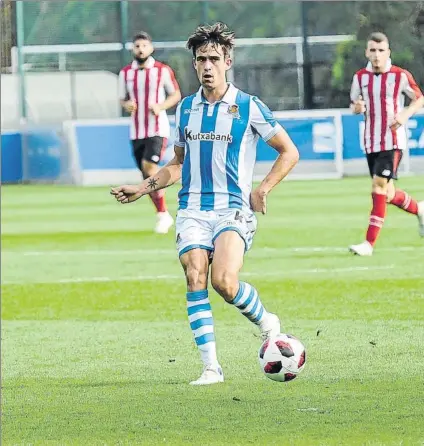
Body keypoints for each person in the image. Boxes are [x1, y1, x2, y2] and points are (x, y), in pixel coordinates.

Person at [111, 22, 299, 385]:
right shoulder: (184, 110)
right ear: (194, 65)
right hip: (193, 210)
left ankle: (267, 322)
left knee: (224, 283)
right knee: (194, 274)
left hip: (233, 210)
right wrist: (143, 187)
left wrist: (263, 189)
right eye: (201, 59)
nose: (207, 65)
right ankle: (211, 366)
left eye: (214, 58)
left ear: (227, 61)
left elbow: (288, 151)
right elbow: (177, 164)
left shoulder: (248, 107)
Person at [349, 32, 424, 256]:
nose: (376, 55)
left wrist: (404, 115)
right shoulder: (360, 77)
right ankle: (420, 209)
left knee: (378, 187)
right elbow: (354, 103)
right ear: (367, 52)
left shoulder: (399, 75)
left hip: (392, 141)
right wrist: (357, 108)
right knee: (388, 194)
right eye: (372, 50)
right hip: (371, 142)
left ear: (388, 52)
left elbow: (419, 97)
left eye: (381, 50)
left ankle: (368, 244)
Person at [118, 31, 181, 234]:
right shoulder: (125, 73)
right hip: (136, 130)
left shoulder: (162, 70)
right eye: (137, 46)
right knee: (146, 173)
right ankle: (162, 214)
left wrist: (161, 106)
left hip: (157, 129)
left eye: (144, 46)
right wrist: (127, 105)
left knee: (149, 167)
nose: (141, 49)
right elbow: (122, 99)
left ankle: (163, 214)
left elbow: (176, 94)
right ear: (133, 49)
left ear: (151, 48)